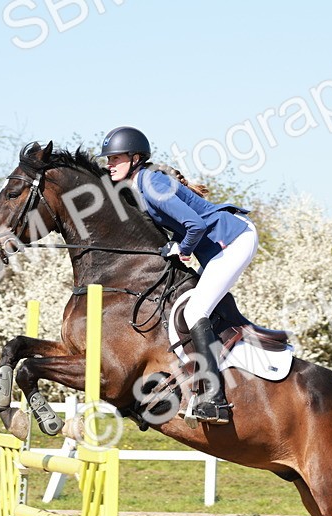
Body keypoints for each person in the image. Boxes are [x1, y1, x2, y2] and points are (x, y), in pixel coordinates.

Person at [99, 125, 258, 425]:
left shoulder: (151, 183)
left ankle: (215, 400)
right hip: (219, 246)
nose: (110, 164)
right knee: (193, 304)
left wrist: (182, 249)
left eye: (115, 158)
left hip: (234, 239)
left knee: (196, 310)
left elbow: (195, 225)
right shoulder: (141, 184)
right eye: (108, 159)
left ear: (135, 158)